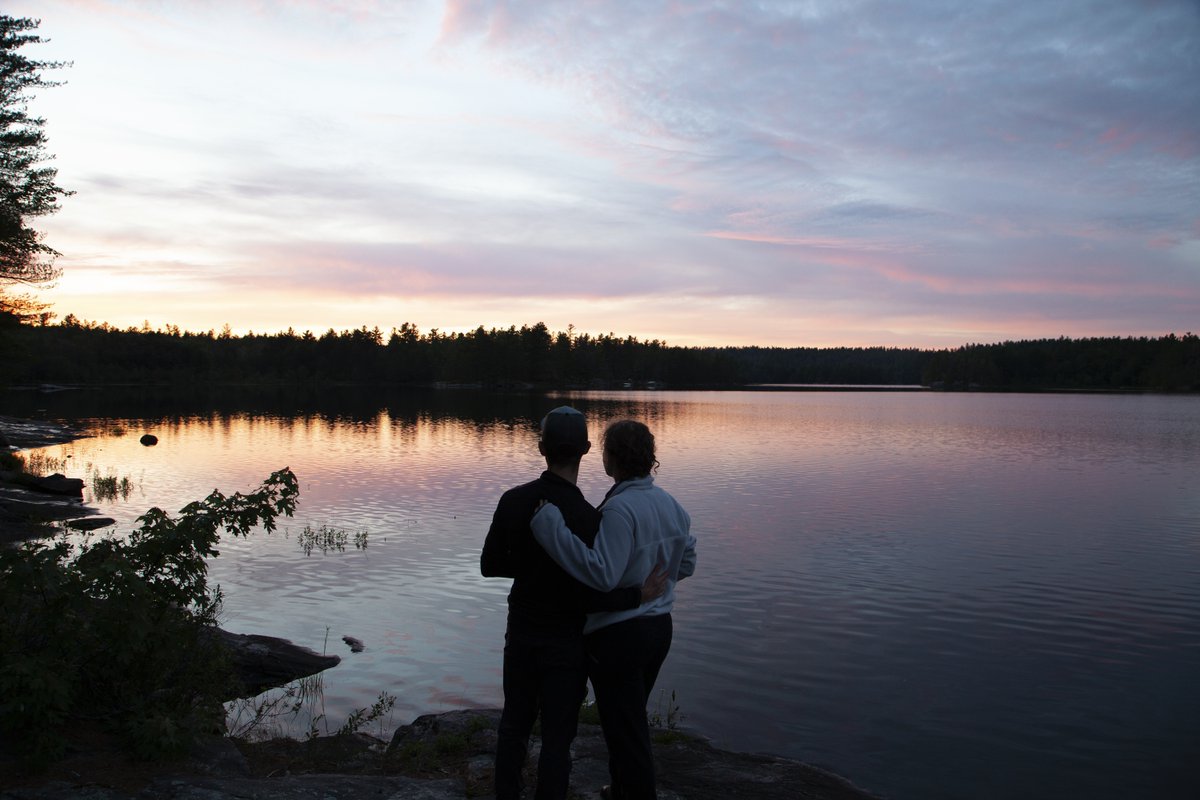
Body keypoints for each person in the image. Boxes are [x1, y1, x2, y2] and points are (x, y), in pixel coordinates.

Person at [481, 406, 667, 800]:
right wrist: (638, 594)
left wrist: (531, 566)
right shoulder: (590, 517)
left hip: (522, 633)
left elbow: (490, 565)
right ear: (585, 450)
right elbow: (596, 587)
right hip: (567, 642)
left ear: (540, 447)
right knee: (557, 737)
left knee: (514, 725)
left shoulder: (514, 500)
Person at [531, 419, 696, 800]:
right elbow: (685, 563)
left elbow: (600, 573)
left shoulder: (620, 510)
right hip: (659, 630)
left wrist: (550, 527)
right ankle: (621, 789)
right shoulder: (671, 505)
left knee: (627, 732)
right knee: (628, 720)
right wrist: (656, 583)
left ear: (611, 459)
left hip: (621, 636)